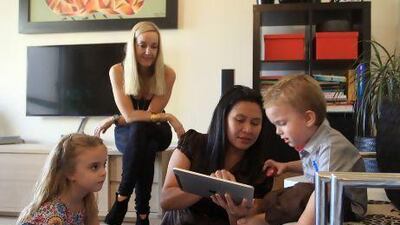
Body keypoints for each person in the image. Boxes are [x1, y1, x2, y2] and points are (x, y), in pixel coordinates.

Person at [239, 75, 367, 225]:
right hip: (324, 192)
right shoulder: (315, 138)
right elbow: (314, 164)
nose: (277, 131)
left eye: (281, 123)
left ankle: (265, 219)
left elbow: (323, 191)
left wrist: (304, 222)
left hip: (346, 205)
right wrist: (286, 166)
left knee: (303, 192)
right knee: (286, 192)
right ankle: (262, 206)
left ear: (308, 118)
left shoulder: (331, 146)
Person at [94, 21, 184, 225]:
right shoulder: (117, 71)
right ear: (132, 45)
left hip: (157, 129)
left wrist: (116, 118)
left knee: (142, 131)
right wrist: (168, 116)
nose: (148, 51)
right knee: (145, 145)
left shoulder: (168, 74)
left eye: (154, 46)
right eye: (142, 45)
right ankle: (143, 215)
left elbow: (147, 114)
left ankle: (121, 198)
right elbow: (131, 115)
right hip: (130, 132)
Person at [160, 85, 281, 225]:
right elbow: (166, 200)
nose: (248, 129)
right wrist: (210, 185)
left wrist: (234, 212)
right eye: (240, 120)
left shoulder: (261, 170)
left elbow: (246, 220)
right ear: (223, 119)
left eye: (255, 123)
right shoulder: (193, 143)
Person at [17, 133, 107, 225]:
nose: (104, 172)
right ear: (69, 172)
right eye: (94, 167)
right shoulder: (53, 215)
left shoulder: (86, 202)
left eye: (104, 164)